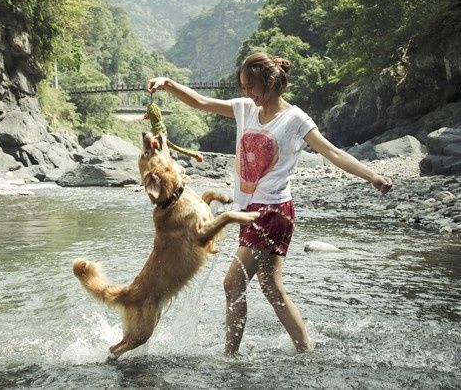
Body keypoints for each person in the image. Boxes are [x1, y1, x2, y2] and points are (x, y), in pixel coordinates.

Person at [146, 51, 393, 356]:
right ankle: (305, 349)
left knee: (232, 282)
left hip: (273, 211)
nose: (246, 93)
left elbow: (334, 153)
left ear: (272, 81)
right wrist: (168, 83)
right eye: (243, 87)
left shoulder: (295, 119)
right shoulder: (245, 109)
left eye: (251, 87)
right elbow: (200, 102)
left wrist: (372, 176)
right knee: (271, 286)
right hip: (251, 210)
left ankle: (230, 356)